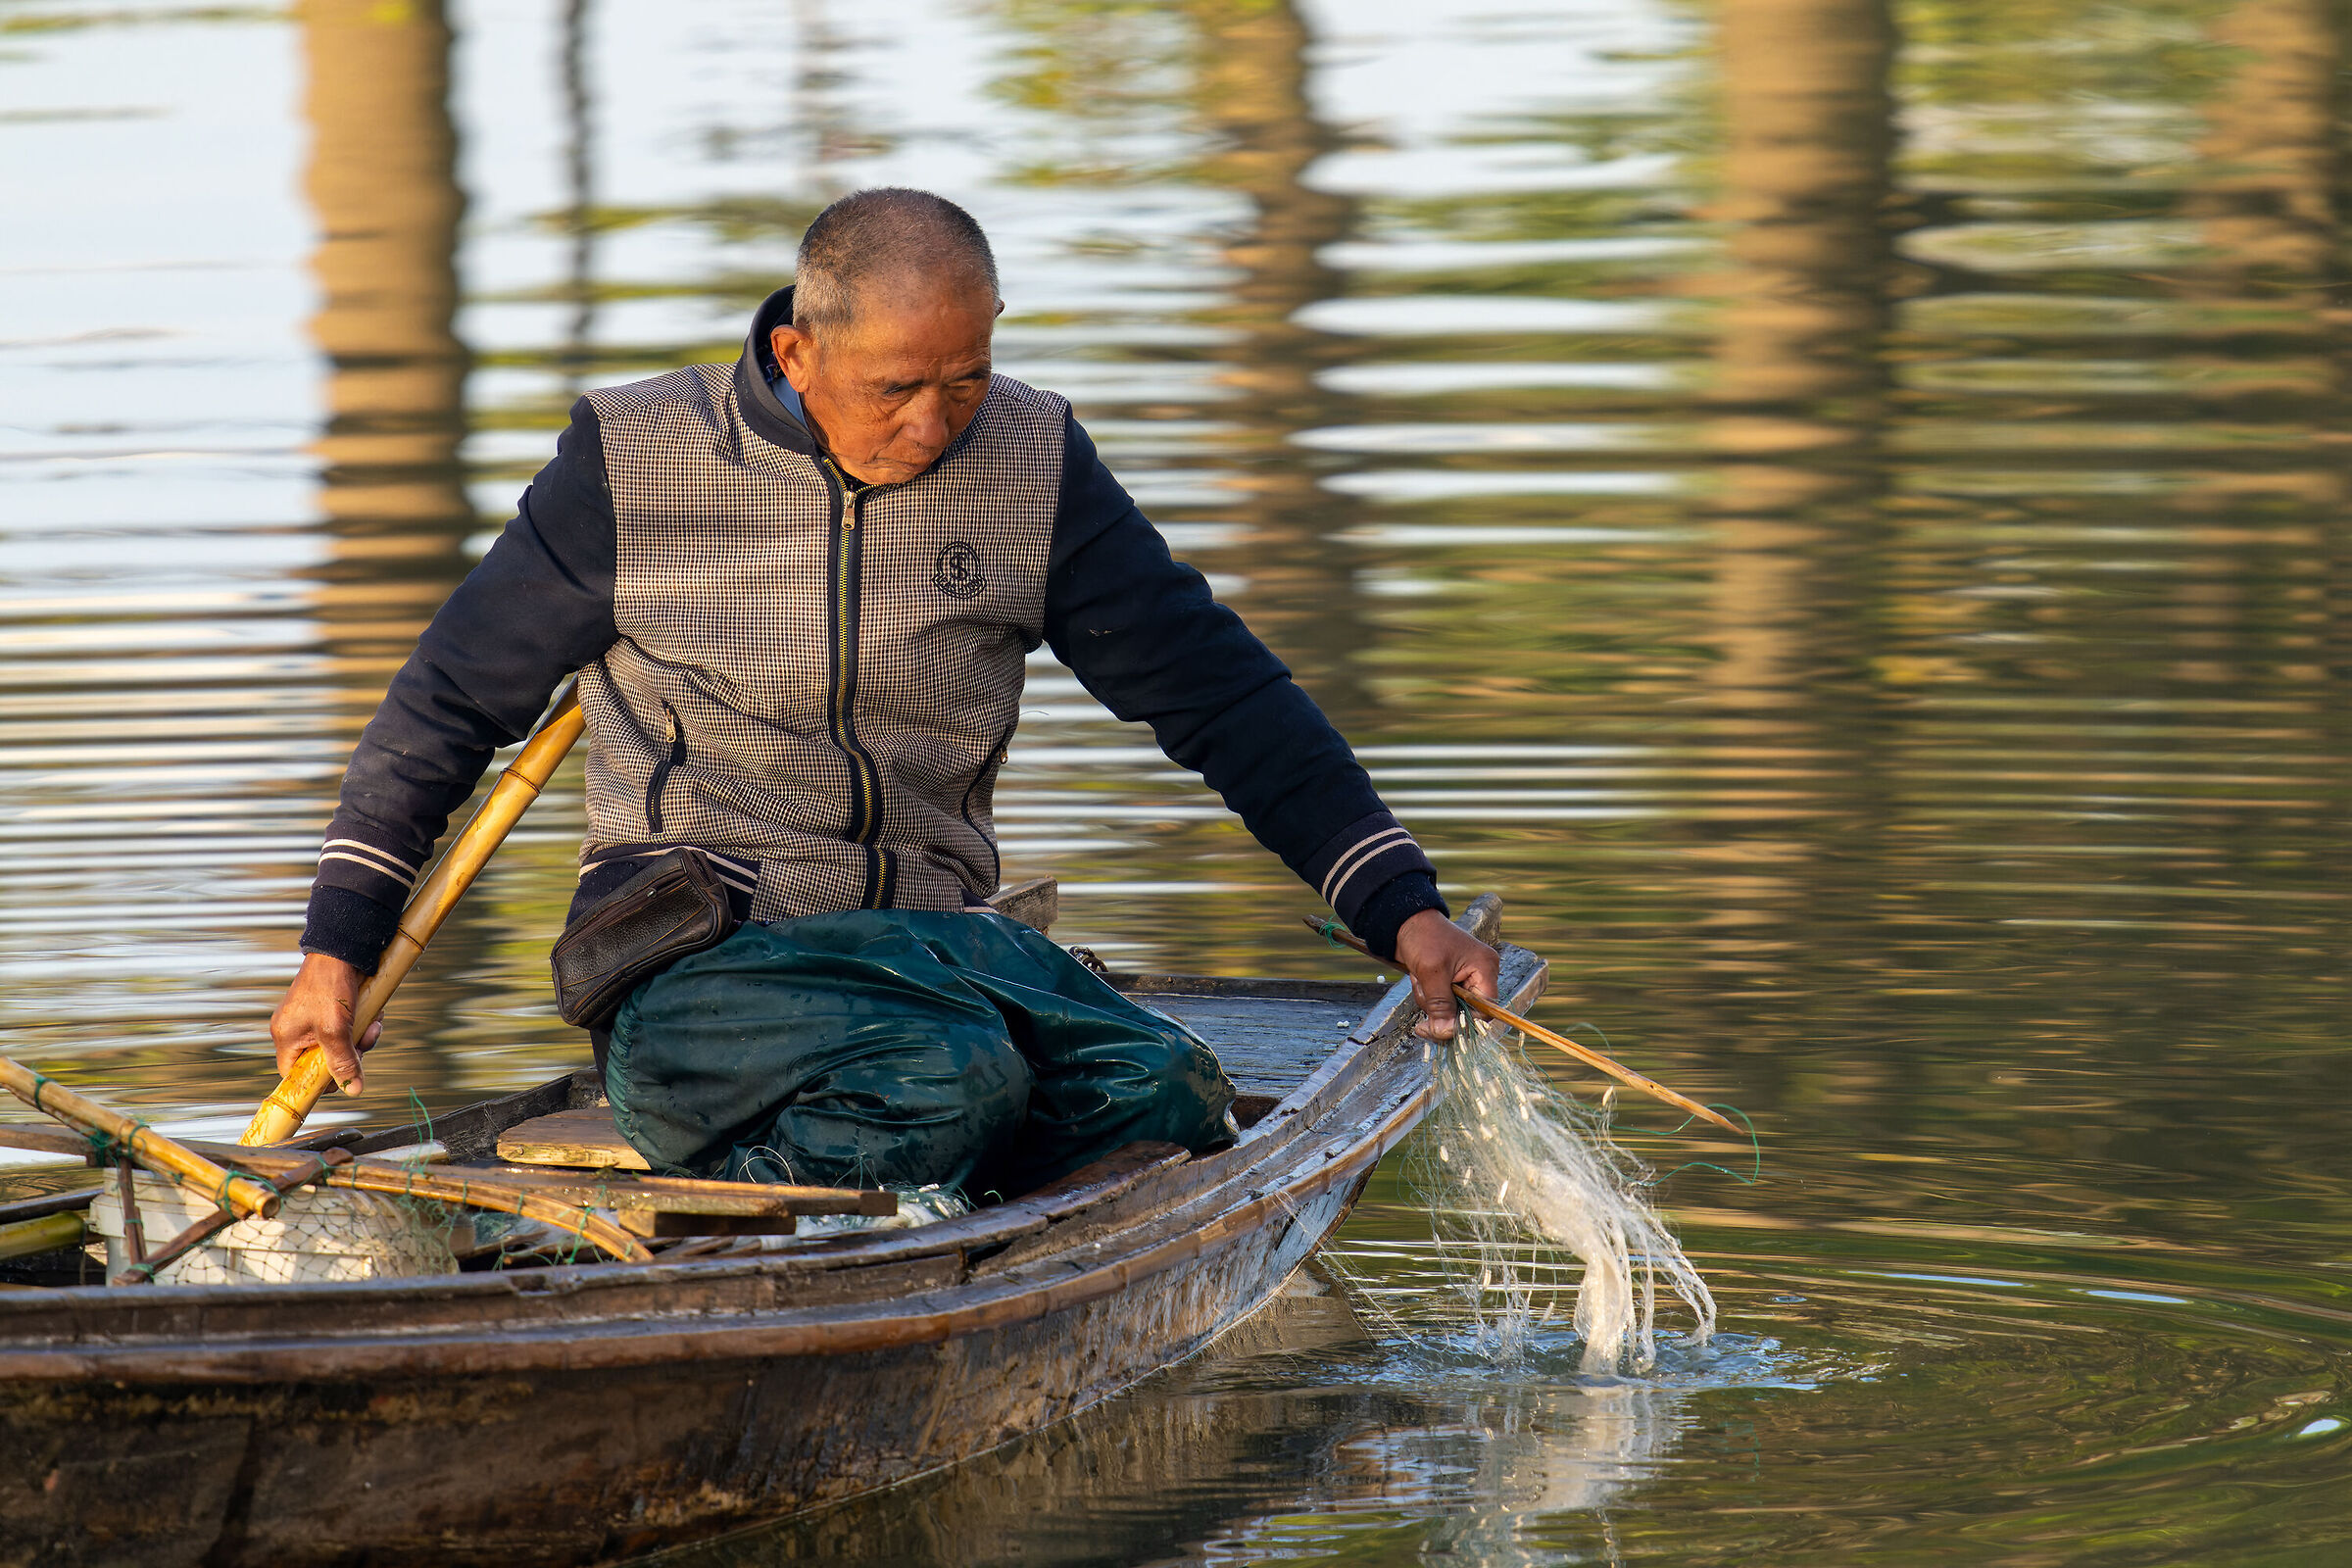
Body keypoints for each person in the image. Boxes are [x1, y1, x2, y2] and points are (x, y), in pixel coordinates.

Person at [271, 188, 1498, 1198]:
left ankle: (933, 1184)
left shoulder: (1031, 460)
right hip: (701, 955)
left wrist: (1401, 907)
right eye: (895, 388)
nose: (931, 425)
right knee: (945, 1081)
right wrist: (337, 948)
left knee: (1166, 1088)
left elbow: (1221, 697)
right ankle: (802, 1205)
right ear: (796, 352)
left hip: (935, 943)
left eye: (964, 379)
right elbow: (446, 705)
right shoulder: (635, 461)